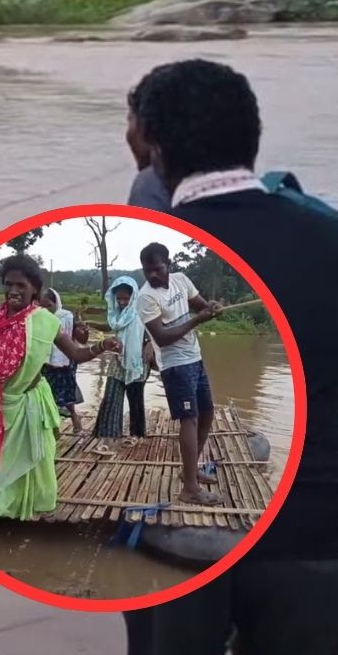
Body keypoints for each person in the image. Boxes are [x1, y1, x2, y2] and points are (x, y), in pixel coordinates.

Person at [124, 59, 338, 654]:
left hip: (178, 556)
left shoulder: (164, 240)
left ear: (149, 144)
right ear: (252, 136)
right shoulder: (326, 233)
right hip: (317, 538)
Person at [0, 255, 120, 534]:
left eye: (21, 285)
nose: (13, 290)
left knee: (32, 461)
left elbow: (76, 354)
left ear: (35, 289)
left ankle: (15, 510)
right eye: (8, 284)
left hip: (28, 402)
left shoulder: (46, 321)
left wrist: (103, 346)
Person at [136, 243, 222, 505]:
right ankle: (190, 489)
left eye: (157, 269)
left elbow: (201, 305)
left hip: (195, 357)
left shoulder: (182, 281)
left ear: (169, 265)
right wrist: (197, 320)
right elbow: (161, 338)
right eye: (148, 271)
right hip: (174, 365)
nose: (152, 275)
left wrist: (211, 308)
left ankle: (189, 470)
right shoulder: (146, 297)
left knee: (207, 413)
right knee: (189, 419)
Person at [89, 276, 149, 438]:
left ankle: (137, 435)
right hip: (118, 358)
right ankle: (108, 434)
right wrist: (90, 323)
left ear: (133, 296)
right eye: (119, 298)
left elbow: (152, 331)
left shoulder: (143, 312)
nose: (122, 302)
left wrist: (148, 344)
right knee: (111, 396)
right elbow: (110, 326)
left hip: (137, 362)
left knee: (135, 399)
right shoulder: (117, 314)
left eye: (126, 298)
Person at [38, 288, 82, 433]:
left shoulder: (67, 317)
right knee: (48, 395)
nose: (46, 309)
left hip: (66, 362)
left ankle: (74, 418)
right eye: (43, 306)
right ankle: (54, 428)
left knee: (66, 395)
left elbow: (79, 339)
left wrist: (83, 330)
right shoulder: (39, 317)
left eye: (49, 305)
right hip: (46, 362)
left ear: (56, 303)